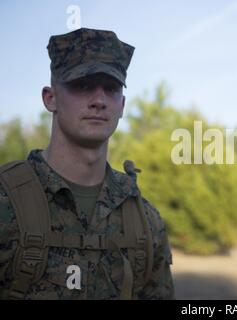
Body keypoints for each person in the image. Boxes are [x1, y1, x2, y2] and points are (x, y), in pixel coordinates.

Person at [0, 28, 174, 299]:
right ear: (50, 98)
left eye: (112, 88)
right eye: (82, 85)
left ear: (123, 105)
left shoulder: (143, 220)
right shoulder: (6, 200)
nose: (99, 101)